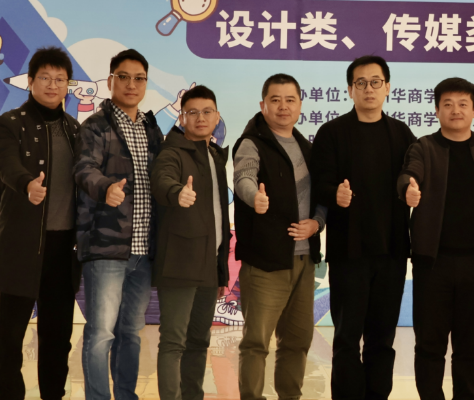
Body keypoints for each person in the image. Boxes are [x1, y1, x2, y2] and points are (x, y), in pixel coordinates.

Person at [397, 77, 474, 400]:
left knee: (470, 346)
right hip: (433, 264)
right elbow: (410, 173)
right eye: (447, 104)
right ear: (436, 111)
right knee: (429, 345)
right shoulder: (423, 147)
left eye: (463, 104)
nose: (455, 110)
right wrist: (408, 187)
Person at [311, 56, 416, 400]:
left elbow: (415, 176)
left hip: (392, 251)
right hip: (349, 252)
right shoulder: (332, 133)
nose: (368, 89)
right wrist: (335, 194)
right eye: (361, 83)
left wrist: (414, 188)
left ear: (387, 87)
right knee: (346, 338)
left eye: (375, 82)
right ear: (349, 89)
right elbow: (319, 183)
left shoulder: (401, 133)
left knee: (382, 339)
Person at [75, 48, 165, 400]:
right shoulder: (95, 126)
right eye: (124, 77)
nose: (131, 84)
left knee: (131, 332)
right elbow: (84, 169)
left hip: (143, 251)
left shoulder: (152, 128)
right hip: (106, 246)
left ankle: (127, 395)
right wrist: (105, 188)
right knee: (101, 334)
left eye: (139, 78)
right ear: (111, 80)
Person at [233, 73, 325, 400]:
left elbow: (322, 195)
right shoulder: (251, 143)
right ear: (263, 105)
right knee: (256, 343)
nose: (283, 107)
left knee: (297, 341)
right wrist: (254, 198)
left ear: (300, 105)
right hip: (266, 261)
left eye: (290, 100)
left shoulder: (307, 147)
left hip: (303, 260)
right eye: (275, 100)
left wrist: (317, 223)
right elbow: (244, 177)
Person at [0, 47, 81, 400]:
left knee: (57, 339)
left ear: (68, 85)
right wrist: (26, 185)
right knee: (6, 339)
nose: (52, 85)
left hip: (63, 250)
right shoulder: (10, 123)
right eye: (45, 78)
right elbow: (7, 165)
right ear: (30, 81)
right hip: (19, 247)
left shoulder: (75, 130)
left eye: (60, 79)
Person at [150, 85, 232, 400]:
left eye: (207, 111)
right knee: (174, 342)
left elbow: (219, 218)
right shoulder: (172, 151)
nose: (200, 118)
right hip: (180, 263)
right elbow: (162, 180)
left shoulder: (214, 155)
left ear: (217, 117)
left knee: (199, 342)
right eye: (192, 112)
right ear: (182, 117)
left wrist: (221, 271)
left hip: (209, 266)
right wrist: (176, 193)